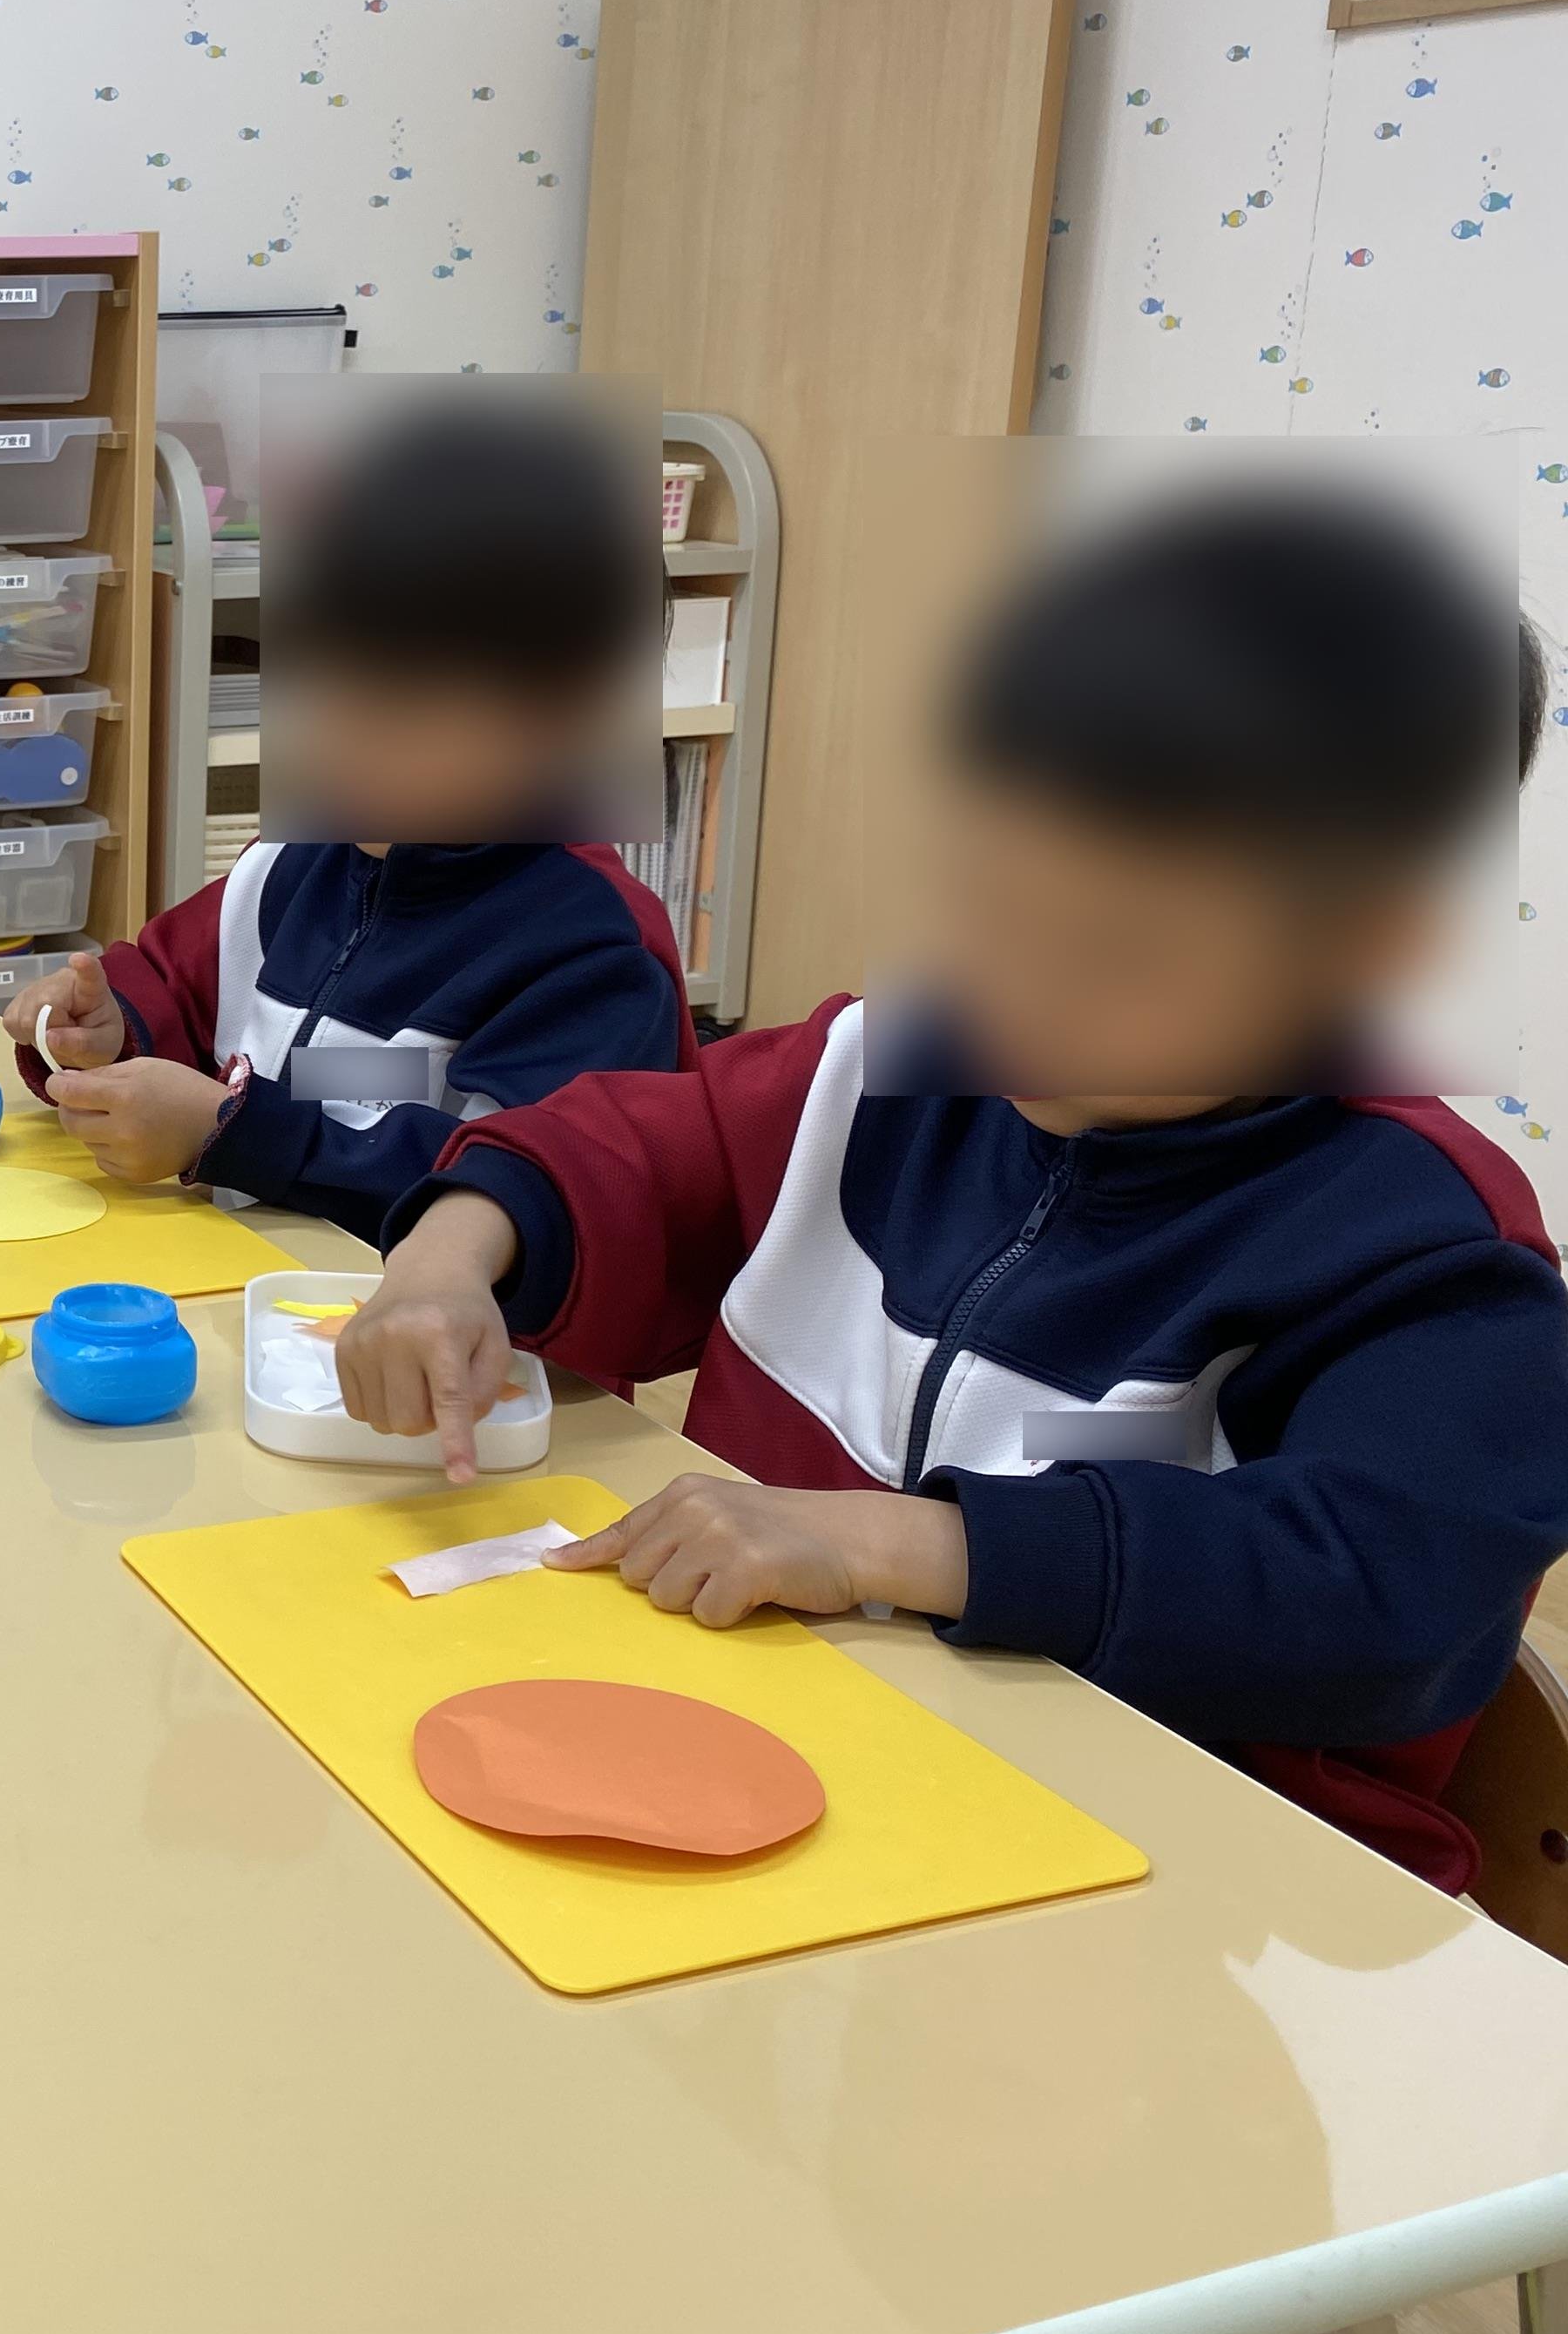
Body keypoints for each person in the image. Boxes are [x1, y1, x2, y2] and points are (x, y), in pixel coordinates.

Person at [335, 482, 1568, 1886]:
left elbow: (1380, 1597)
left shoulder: (1426, 1250)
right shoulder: (888, 1071)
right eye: (982, 904)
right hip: (818, 1769)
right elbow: (642, 1146)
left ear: (1366, 950)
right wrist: (451, 1253)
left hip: (1192, 1888)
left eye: (1113, 955)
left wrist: (901, 1545)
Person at [6, 394, 691, 1241]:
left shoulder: (592, 953)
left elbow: (522, 1189)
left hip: (435, 1322)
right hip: (250, 1282)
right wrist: (108, 1029)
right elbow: (194, 1002)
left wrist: (236, 1132)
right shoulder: (293, 862)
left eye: (393, 712)